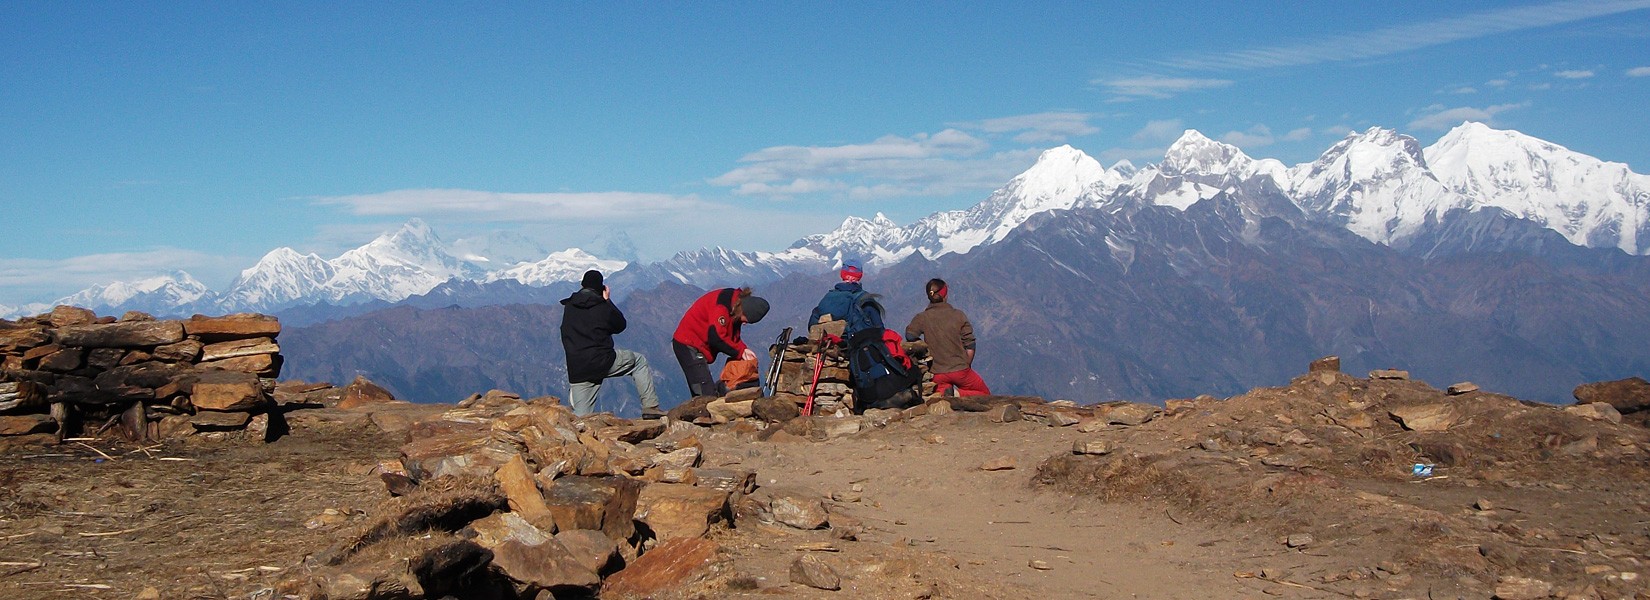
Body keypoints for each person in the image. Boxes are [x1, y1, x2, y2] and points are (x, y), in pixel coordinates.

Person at [560, 270, 664, 418]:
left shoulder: (569, 307)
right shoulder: (601, 306)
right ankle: (651, 407)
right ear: (601, 288)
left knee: (581, 419)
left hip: (577, 368)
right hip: (603, 361)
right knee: (639, 361)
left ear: (582, 285)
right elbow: (620, 325)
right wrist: (607, 301)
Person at [671, 287, 769, 398]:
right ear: (743, 311)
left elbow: (731, 335)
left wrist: (744, 349)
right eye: (744, 319)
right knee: (706, 395)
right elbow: (716, 337)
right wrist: (740, 351)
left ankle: (720, 390)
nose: (744, 323)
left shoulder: (735, 304)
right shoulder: (721, 307)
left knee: (705, 391)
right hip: (688, 343)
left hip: (696, 344)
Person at [904, 278, 991, 396]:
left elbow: (910, 335)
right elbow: (970, 344)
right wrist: (966, 364)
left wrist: (924, 348)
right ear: (945, 294)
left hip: (937, 372)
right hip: (960, 370)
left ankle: (948, 394)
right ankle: (957, 394)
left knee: (941, 396)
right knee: (984, 393)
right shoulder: (958, 315)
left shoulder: (922, 318)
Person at [807, 262, 884, 336]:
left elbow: (812, 324)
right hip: (855, 343)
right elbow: (879, 328)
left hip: (827, 343)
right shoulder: (864, 299)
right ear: (860, 276)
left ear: (842, 275)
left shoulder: (829, 297)